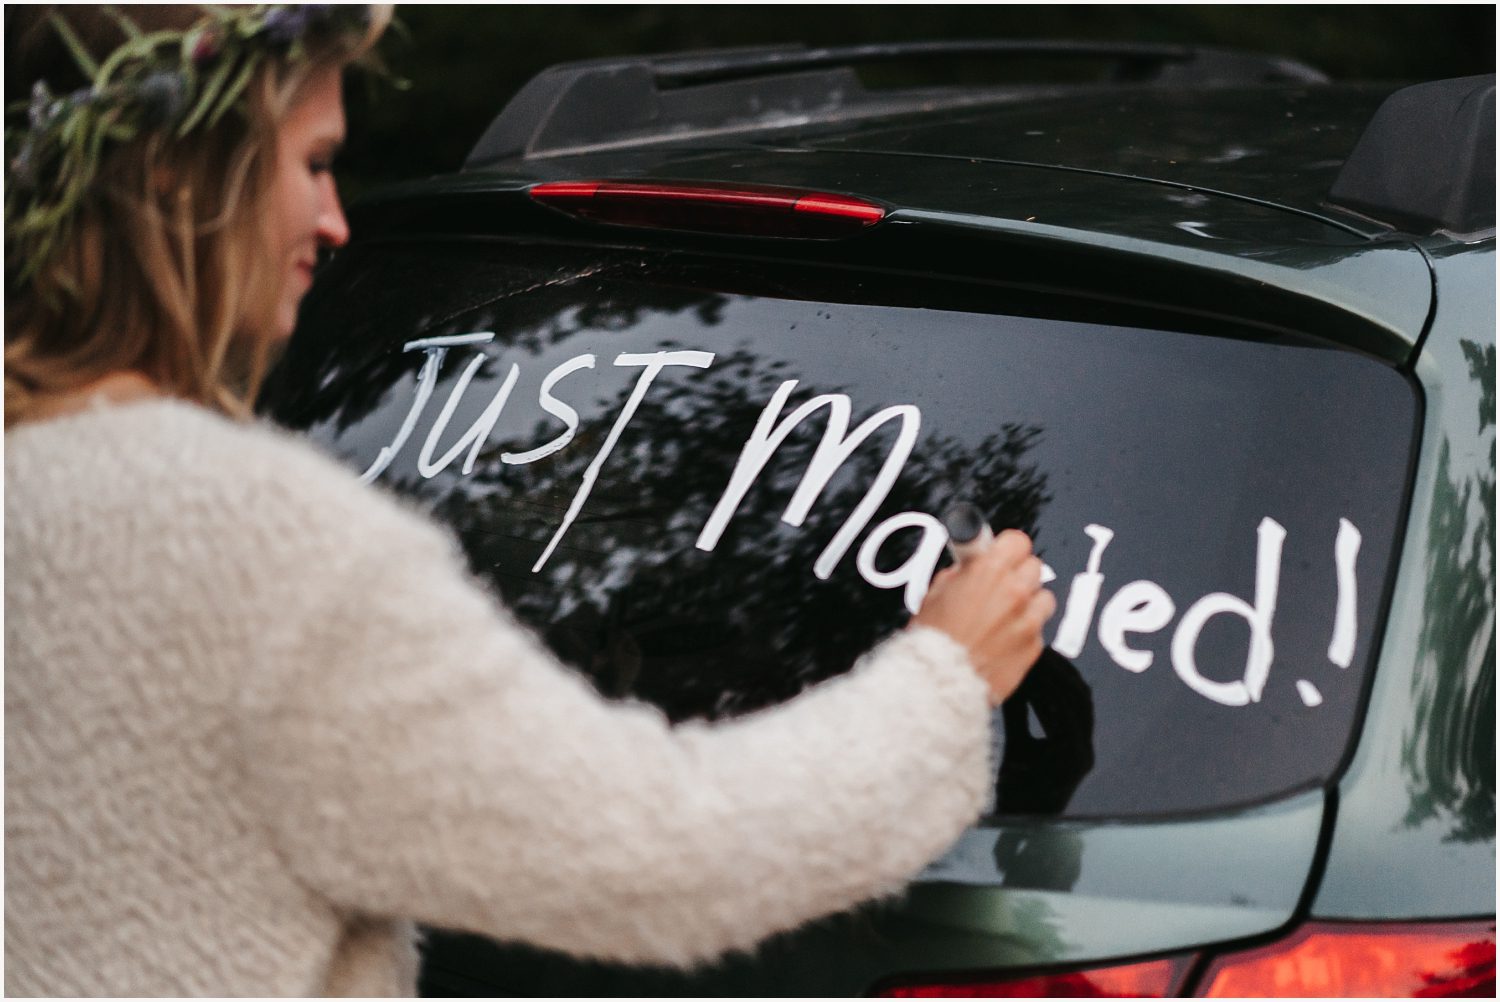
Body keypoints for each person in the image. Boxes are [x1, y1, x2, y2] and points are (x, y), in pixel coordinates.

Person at [3, 6, 1057, 997]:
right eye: (314, 165)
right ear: (187, 180)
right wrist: (943, 683)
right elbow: (663, 851)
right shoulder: (257, 544)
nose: (333, 223)